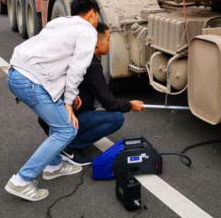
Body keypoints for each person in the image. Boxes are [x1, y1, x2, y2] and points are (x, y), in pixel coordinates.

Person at [4, 0, 100, 202]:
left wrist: (68, 95)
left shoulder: (58, 22)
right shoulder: (88, 31)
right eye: (97, 16)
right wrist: (68, 102)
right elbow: (77, 68)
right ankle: (21, 180)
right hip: (32, 81)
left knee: (59, 123)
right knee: (67, 129)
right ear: (92, 14)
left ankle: (54, 165)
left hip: (16, 74)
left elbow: (55, 59)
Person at [38, 22, 145, 166]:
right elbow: (109, 103)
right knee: (116, 118)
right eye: (107, 39)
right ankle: (68, 146)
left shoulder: (76, 57)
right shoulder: (91, 64)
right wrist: (130, 105)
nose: (110, 44)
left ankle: (62, 140)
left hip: (49, 119)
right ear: (95, 43)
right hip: (63, 121)